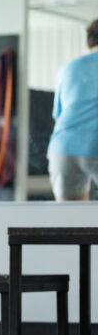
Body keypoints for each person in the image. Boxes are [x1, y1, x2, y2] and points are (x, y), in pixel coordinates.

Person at [47, 19, 98, 201]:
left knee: (69, 216)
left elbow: (58, 117)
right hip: (95, 142)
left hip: (63, 148)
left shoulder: (67, 68)